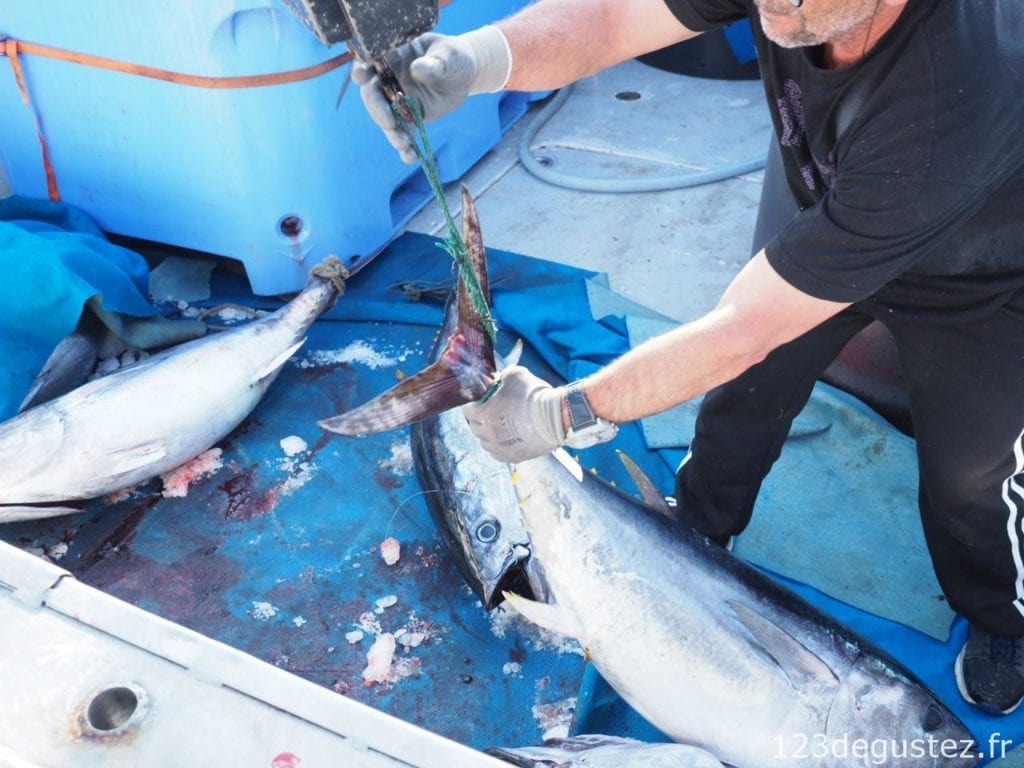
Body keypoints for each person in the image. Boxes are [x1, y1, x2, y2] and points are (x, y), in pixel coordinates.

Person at [355, 0, 1024, 716]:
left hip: (974, 276)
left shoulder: (956, 93)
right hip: (826, 195)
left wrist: (564, 410)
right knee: (742, 395)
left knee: (972, 480)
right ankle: (700, 521)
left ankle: (1002, 618)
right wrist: (477, 59)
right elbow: (613, 21)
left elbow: (743, 327)